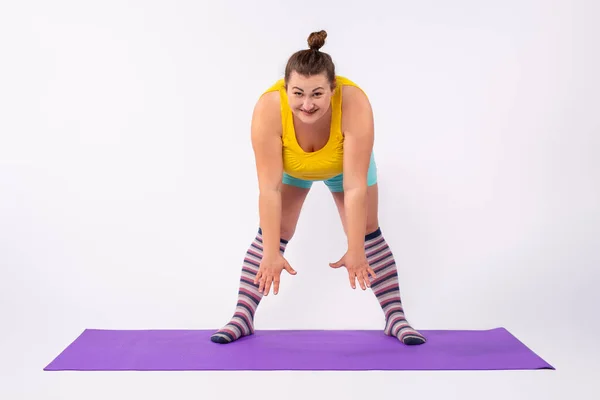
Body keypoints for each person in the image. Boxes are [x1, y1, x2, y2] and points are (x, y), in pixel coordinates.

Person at [210, 30, 426, 346]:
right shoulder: (268, 110)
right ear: (285, 90)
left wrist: (355, 249)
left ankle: (396, 318)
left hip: (343, 165)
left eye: (317, 95)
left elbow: (354, 187)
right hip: (293, 165)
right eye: (298, 94)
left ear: (332, 89)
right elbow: (269, 189)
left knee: (367, 231)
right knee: (272, 234)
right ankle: (242, 316)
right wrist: (271, 253)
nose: (307, 105)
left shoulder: (354, 102)